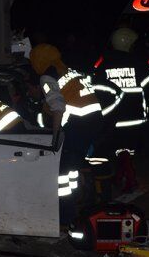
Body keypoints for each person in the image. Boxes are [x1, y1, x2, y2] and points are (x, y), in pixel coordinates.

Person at [29, 43, 119, 227]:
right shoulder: (69, 71)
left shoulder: (47, 77)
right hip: (94, 123)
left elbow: (58, 108)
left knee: (62, 174)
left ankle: (65, 216)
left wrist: (56, 137)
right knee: (72, 169)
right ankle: (79, 206)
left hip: (77, 126)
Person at [96, 27, 149, 192]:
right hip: (136, 117)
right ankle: (130, 179)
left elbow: (98, 91)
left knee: (120, 149)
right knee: (126, 150)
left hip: (113, 118)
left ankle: (120, 177)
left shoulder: (103, 65)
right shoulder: (138, 65)